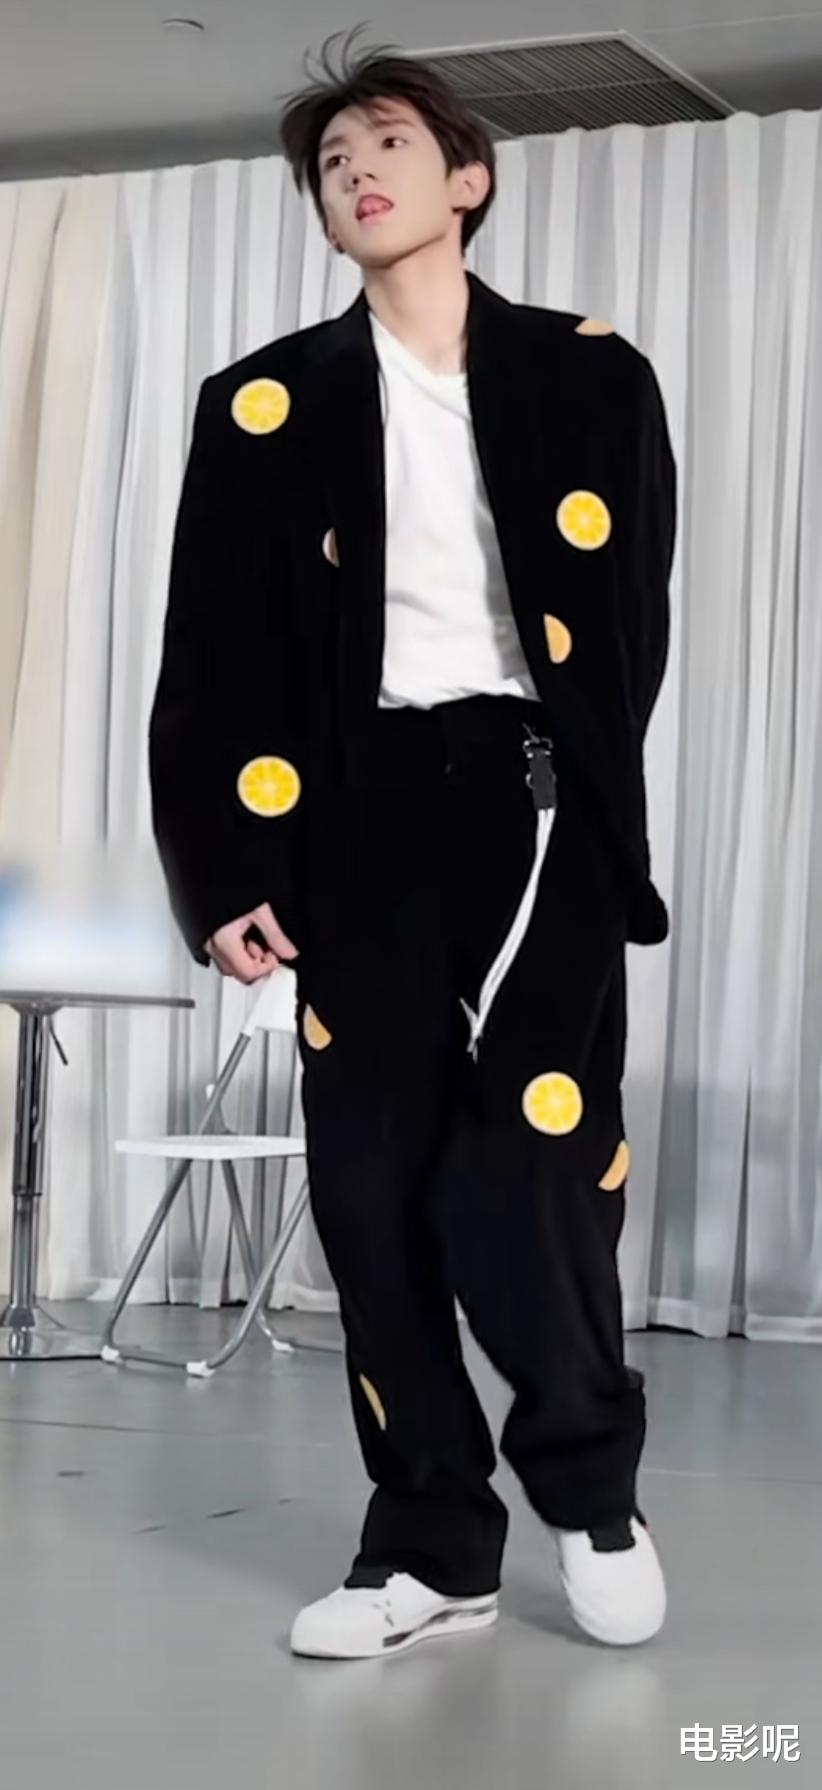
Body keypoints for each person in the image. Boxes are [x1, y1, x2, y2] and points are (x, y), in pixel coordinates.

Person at [149, 24, 677, 1659]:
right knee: (369, 1186)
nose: (356, 171)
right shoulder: (260, 405)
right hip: (355, 815)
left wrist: (598, 822)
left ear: (466, 180)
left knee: (525, 1162)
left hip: (534, 799)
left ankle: (588, 1483)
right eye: (330, 160)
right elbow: (211, 655)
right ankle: (433, 1546)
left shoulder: (591, 373)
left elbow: (630, 624)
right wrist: (221, 873)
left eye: (386, 143)